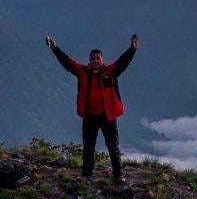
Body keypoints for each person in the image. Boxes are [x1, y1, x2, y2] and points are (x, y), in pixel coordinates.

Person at [45, 32, 138, 184]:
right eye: (93, 59)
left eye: (98, 58)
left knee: (113, 147)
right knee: (88, 148)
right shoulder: (82, 71)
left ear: (102, 60)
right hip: (90, 117)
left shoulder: (111, 71)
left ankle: (118, 175)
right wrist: (54, 48)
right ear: (89, 60)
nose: (95, 61)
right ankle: (86, 175)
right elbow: (67, 61)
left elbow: (123, 61)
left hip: (108, 117)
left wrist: (132, 49)